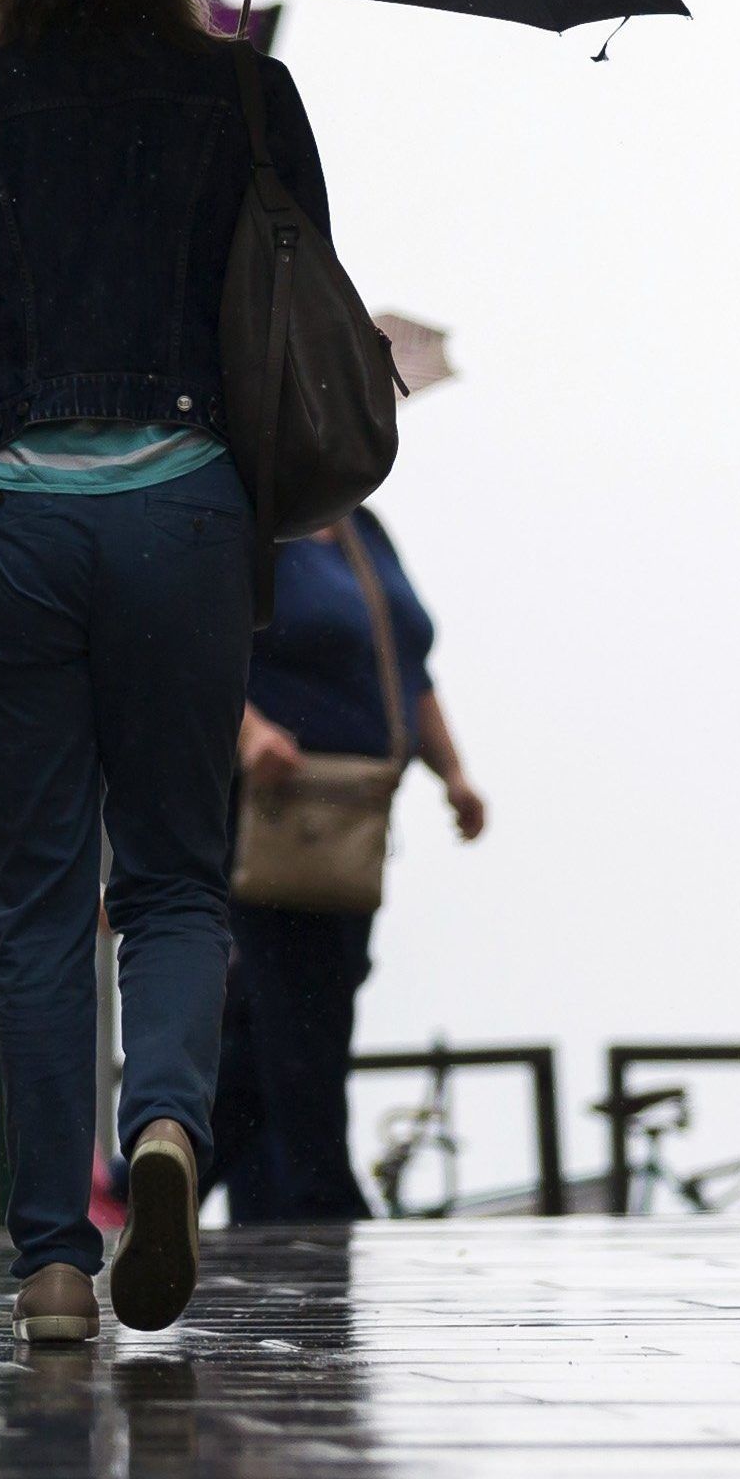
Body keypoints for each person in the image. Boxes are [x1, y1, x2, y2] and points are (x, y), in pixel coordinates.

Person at [0, 0, 320, 1344]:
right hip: (182, 503)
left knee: (42, 892)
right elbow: (293, 312)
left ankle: (53, 1260)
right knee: (176, 877)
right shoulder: (248, 100)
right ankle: (167, 1123)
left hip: (6, 519)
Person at [214, 512, 488, 1223]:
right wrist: (250, 732)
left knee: (288, 1009)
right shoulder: (255, 529)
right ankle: (324, 1194)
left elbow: (408, 667)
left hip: (355, 812)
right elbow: (195, 650)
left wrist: (452, 772)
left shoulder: (365, 530)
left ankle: (144, 1180)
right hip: (274, 811)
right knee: (298, 1004)